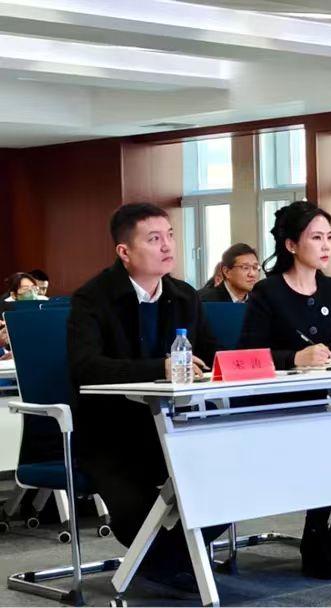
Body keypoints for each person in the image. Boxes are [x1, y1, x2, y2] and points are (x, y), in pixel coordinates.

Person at [67, 203, 225, 593]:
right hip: (112, 432)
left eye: (170, 235)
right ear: (124, 251)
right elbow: (87, 367)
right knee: (133, 509)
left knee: (227, 483)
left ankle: (173, 561)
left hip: (176, 425)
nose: (167, 246)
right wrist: (159, 367)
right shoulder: (93, 298)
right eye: (154, 239)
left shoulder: (184, 295)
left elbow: (211, 355)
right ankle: (173, 562)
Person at [239, 201, 331, 580]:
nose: (326, 245)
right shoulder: (268, 291)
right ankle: (316, 534)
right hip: (284, 402)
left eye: (329, 237)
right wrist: (294, 357)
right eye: (316, 238)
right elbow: (248, 354)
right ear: (291, 245)